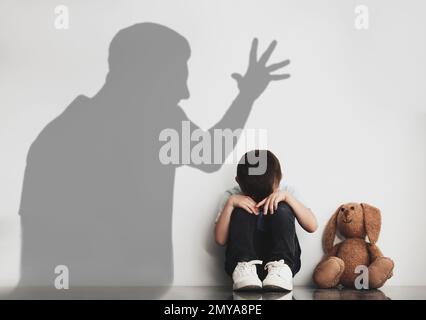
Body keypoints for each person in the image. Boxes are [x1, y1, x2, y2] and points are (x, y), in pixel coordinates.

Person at [18, 23, 291, 289]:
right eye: (176, 77)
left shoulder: (60, 134)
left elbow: (210, 154)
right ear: (146, 77)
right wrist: (246, 97)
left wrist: (246, 96)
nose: (184, 92)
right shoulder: (153, 122)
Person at [214, 150, 318, 291]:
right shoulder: (232, 195)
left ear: (280, 179)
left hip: (280, 263)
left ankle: (281, 268)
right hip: (244, 267)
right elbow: (220, 240)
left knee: (282, 207)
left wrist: (288, 198)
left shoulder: (287, 191)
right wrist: (231, 204)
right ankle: (245, 266)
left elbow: (312, 225)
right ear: (238, 182)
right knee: (240, 209)